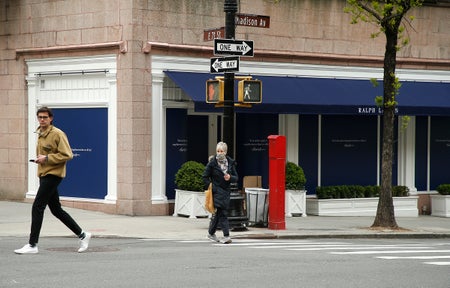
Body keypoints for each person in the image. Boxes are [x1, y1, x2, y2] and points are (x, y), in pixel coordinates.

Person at [14, 106, 91, 254]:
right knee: (56, 210)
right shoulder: (41, 133)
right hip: (44, 174)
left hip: (53, 175)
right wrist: (40, 160)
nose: (42, 120)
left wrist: (47, 158)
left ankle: (32, 245)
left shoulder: (57, 134)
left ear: (51, 118)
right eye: (40, 117)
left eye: (45, 117)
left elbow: (68, 154)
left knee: (37, 206)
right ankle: (82, 234)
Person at [202, 141, 238, 244]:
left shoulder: (230, 163)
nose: (219, 153)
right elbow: (205, 176)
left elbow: (236, 178)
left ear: (225, 152)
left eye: (221, 151)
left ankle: (210, 233)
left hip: (226, 191)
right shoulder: (212, 163)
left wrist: (230, 177)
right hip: (216, 191)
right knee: (223, 213)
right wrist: (210, 186)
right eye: (218, 151)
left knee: (218, 214)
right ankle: (226, 236)